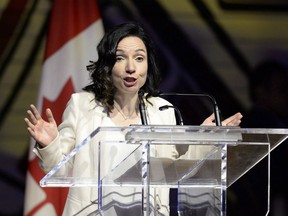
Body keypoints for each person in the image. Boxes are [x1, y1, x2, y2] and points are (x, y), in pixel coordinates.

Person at [24, 22, 242, 216]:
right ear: (108, 65)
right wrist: (50, 143)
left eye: (139, 58)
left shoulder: (163, 111)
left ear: (148, 65)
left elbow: (177, 168)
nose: (131, 67)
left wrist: (204, 139)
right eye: (120, 58)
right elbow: (61, 170)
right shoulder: (82, 106)